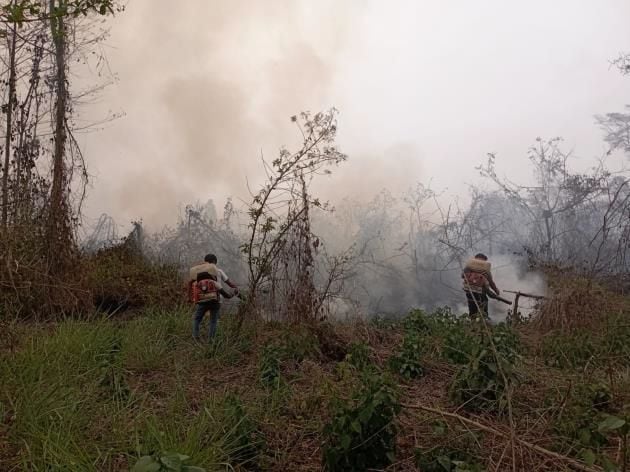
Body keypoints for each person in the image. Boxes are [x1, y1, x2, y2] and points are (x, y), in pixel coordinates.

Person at [188, 254, 239, 341]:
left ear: (205, 262)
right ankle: (211, 340)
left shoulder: (198, 273)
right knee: (213, 320)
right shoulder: (218, 272)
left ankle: (196, 337)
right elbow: (229, 284)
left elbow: (190, 284)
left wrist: (189, 298)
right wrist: (235, 289)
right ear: (215, 262)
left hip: (201, 299)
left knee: (197, 318)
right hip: (216, 300)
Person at [461, 253, 500, 318]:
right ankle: (483, 324)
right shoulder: (485, 268)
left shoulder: (469, 266)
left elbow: (462, 276)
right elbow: (491, 282)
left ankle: (473, 324)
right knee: (483, 310)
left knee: (472, 308)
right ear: (484, 260)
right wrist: (496, 291)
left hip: (469, 290)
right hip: (481, 292)